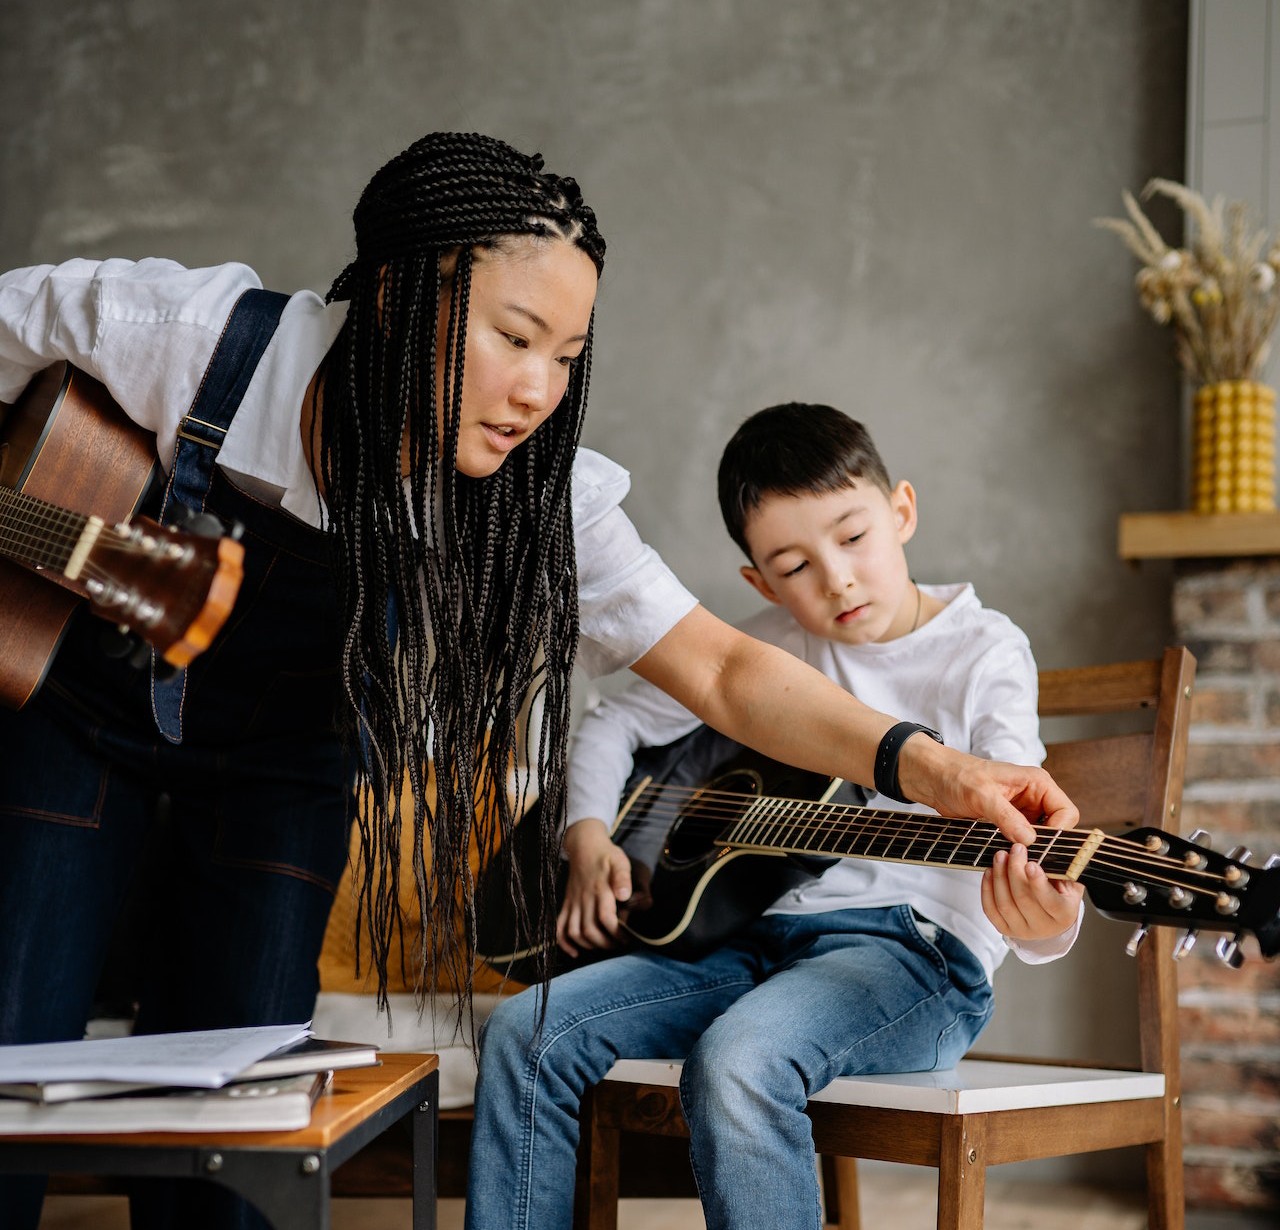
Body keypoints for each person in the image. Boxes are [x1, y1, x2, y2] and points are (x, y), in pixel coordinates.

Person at [0, 134, 1072, 1230]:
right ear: (391, 296)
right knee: (11, 1084)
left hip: (285, 774)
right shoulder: (175, 336)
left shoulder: (539, 500)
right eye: (513, 337)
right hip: (70, 728)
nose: (537, 391)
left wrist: (929, 766)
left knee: (236, 1146)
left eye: (565, 355)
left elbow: (719, 666)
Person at [466, 403, 1086, 1230]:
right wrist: (586, 834)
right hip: (744, 942)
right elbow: (614, 720)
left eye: (853, 537)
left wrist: (1046, 924)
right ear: (759, 582)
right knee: (523, 1031)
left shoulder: (983, 651)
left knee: (739, 1059)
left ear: (901, 511)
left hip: (911, 960)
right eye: (794, 565)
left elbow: (1027, 828)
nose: (836, 579)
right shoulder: (768, 650)